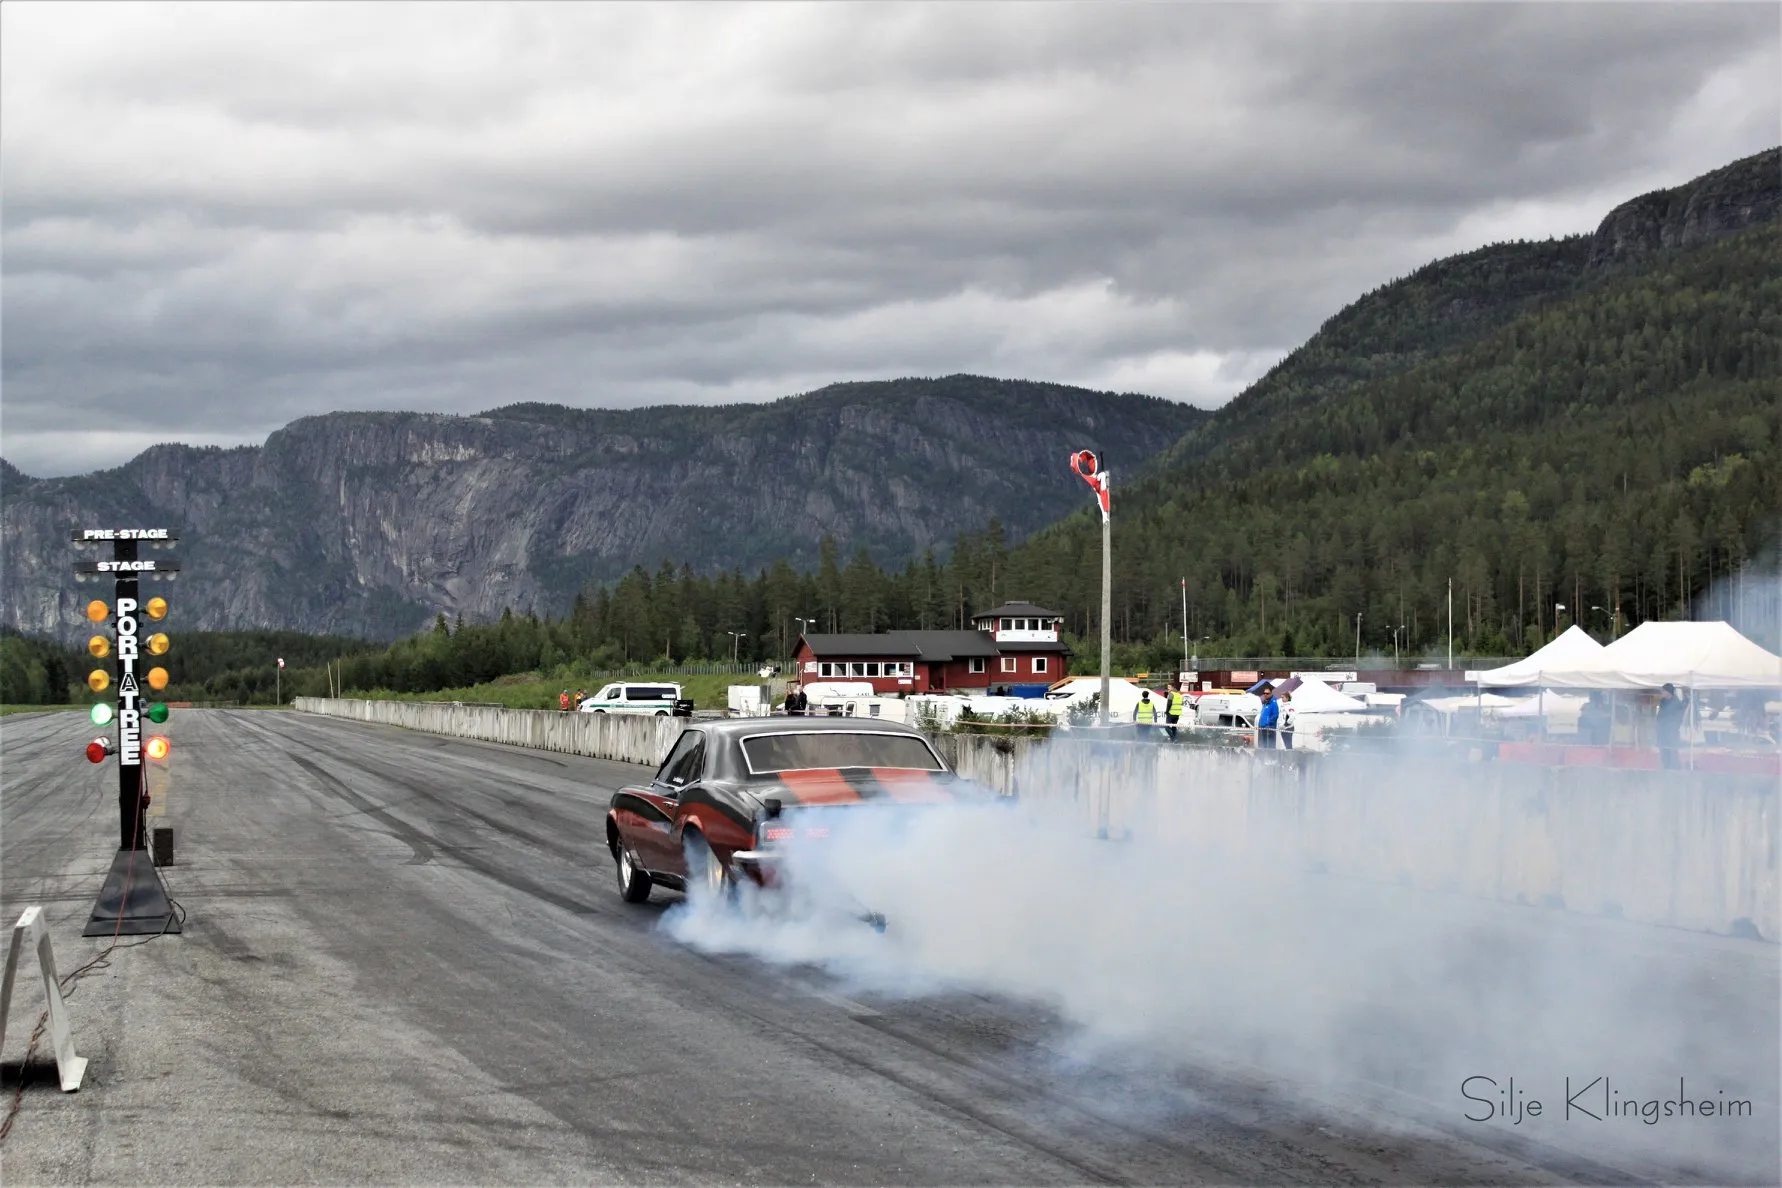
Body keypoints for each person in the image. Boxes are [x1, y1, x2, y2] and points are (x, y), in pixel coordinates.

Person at [1656, 683, 1688, 770]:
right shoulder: (1663, 701)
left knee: (1672, 752)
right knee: (1664, 752)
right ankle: (1666, 769)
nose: (1662, 692)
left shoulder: (1677, 703)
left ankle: (1674, 770)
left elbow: (1678, 718)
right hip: (1663, 732)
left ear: (1668, 692)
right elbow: (1660, 715)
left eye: (1663, 691)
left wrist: (1668, 722)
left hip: (1671, 732)